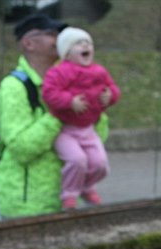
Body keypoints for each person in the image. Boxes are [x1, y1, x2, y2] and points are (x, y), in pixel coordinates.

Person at [0, 12, 109, 220]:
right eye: (52, 34)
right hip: (23, 207)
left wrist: (95, 110)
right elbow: (22, 148)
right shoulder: (13, 88)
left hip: (65, 204)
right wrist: (60, 113)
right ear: (29, 43)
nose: (61, 38)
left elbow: (97, 137)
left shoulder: (75, 79)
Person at [42, 27, 120, 210]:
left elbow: (113, 88)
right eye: (78, 43)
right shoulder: (59, 72)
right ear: (66, 52)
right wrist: (69, 102)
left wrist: (111, 96)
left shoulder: (99, 71)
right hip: (66, 130)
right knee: (77, 160)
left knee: (100, 164)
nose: (85, 45)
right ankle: (69, 194)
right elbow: (49, 93)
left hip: (88, 129)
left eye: (88, 43)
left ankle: (87, 186)